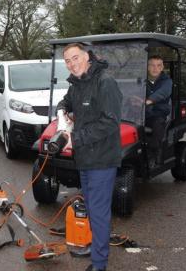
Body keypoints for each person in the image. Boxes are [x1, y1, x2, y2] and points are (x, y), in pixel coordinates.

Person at [57, 43, 122, 271]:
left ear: (87, 57)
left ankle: (99, 263)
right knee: (92, 210)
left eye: (75, 58)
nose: (72, 64)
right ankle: (96, 246)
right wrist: (61, 110)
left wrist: (77, 138)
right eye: (67, 60)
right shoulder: (76, 83)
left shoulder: (105, 82)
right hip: (85, 159)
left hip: (102, 159)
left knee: (99, 212)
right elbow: (67, 101)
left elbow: (110, 122)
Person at [145, 55, 172, 162]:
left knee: (157, 125)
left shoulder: (166, 81)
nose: (155, 68)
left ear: (162, 67)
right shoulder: (143, 80)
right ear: (147, 67)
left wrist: (149, 100)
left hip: (158, 113)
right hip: (142, 113)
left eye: (158, 65)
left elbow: (163, 93)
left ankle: (156, 152)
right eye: (152, 65)